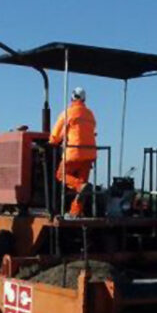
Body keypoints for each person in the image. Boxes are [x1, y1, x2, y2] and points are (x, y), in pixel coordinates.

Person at [49, 87, 96, 218]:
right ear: (84, 99)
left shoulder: (68, 113)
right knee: (81, 189)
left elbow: (55, 135)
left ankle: (81, 186)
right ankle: (75, 212)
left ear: (72, 98)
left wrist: (52, 142)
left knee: (61, 175)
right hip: (90, 153)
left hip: (75, 152)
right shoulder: (90, 114)